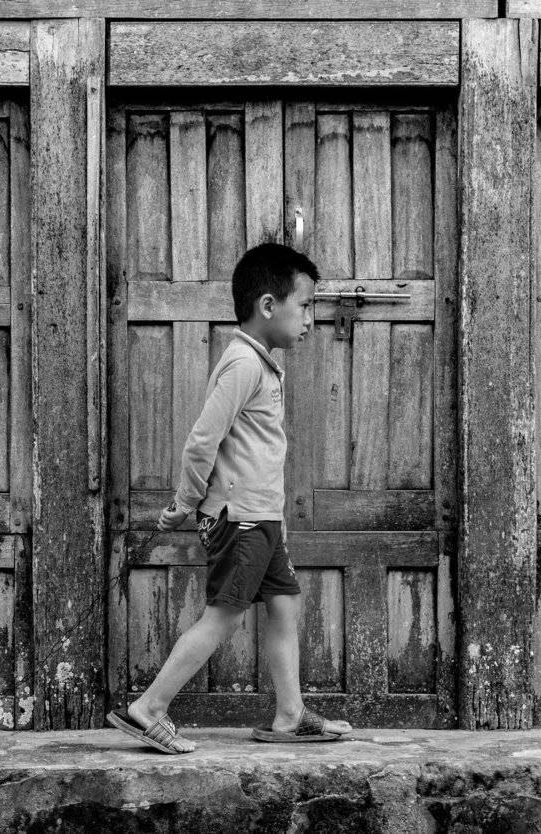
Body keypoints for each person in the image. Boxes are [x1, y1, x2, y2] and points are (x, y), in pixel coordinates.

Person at [107, 242, 353, 754]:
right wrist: (184, 502)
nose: (312, 319)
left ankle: (290, 715)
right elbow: (203, 440)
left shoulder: (261, 364)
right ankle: (148, 708)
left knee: (284, 603)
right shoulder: (242, 364)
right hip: (239, 519)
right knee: (226, 615)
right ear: (268, 305)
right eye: (305, 305)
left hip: (261, 518)